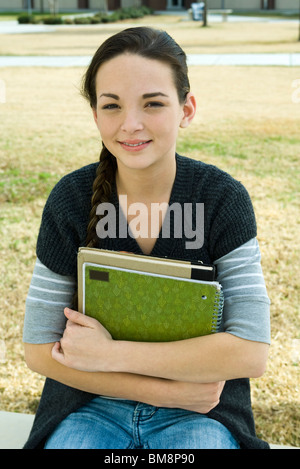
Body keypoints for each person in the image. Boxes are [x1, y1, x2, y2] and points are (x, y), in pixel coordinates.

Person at [23, 27, 271, 449]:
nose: (130, 124)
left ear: (186, 109)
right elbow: (38, 349)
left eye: (153, 103)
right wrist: (166, 390)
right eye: (112, 106)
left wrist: (110, 354)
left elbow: (250, 351)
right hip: (89, 406)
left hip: (202, 415)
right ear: (96, 114)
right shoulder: (72, 199)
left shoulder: (221, 199)